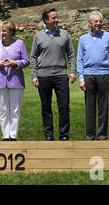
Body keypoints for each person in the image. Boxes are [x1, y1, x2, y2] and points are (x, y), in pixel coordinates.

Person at [30, 8, 76, 141]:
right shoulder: (38, 36)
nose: (56, 20)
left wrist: (72, 71)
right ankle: (49, 135)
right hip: (43, 76)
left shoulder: (64, 34)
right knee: (46, 107)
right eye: (53, 18)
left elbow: (71, 54)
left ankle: (64, 135)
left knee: (64, 107)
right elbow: (33, 57)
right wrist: (34, 75)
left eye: (57, 17)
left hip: (61, 75)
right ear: (46, 20)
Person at [77, 11, 109, 141]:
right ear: (90, 23)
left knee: (103, 107)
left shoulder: (108, 36)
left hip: (104, 75)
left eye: (100, 21)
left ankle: (102, 135)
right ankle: (90, 135)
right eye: (96, 21)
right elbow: (80, 60)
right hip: (89, 76)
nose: (99, 24)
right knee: (90, 107)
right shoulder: (83, 39)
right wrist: (81, 78)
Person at [0, 21, 29, 141]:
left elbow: (26, 61)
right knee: (3, 110)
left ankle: (13, 136)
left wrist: (15, 63)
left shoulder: (20, 43)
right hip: (0, 82)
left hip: (16, 81)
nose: (2, 33)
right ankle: (5, 136)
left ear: (11, 32)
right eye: (1, 31)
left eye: (4, 31)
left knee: (15, 110)